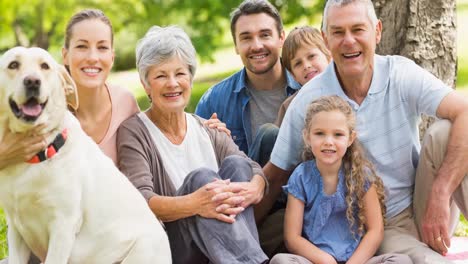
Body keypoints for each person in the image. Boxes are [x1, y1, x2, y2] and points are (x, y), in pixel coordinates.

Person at [259, 0, 468, 263]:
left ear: (377, 31)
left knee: (447, 132)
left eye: (358, 29)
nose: (349, 41)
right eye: (338, 32)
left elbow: (465, 112)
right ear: (325, 39)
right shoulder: (309, 100)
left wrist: (441, 191)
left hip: (420, 205)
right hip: (372, 227)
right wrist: (240, 240)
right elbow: (275, 176)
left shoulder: (400, 73)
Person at [116, 25, 268, 264]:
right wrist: (196, 203)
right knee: (202, 179)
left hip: (222, 249)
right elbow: (141, 199)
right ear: (146, 85)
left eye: (180, 74)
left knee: (238, 166)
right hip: (177, 249)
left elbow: (252, 168)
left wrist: (256, 187)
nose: (172, 83)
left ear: (190, 77)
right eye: (160, 76)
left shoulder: (208, 129)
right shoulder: (135, 131)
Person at [270, 96, 412, 264]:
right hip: (316, 261)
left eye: (338, 134)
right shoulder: (301, 177)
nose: (328, 142)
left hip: (356, 260)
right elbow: (292, 238)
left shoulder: (361, 175)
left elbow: (375, 231)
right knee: (281, 261)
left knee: (401, 261)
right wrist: (326, 261)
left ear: (350, 138)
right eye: (319, 133)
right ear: (307, 137)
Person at [195, 0, 301, 167]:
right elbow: (200, 165)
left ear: (281, 38)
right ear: (236, 45)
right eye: (246, 38)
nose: (257, 46)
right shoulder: (213, 102)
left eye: (265, 35)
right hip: (246, 189)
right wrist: (211, 143)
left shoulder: (307, 88)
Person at [61, 9, 139, 164]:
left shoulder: (126, 103)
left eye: (102, 47)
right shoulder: (48, 109)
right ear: (65, 56)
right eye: (82, 46)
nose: (92, 58)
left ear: (112, 57)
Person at [275, 25, 331, 126]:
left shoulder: (347, 91)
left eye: (311, 56)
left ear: (328, 55)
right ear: (293, 75)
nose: (306, 66)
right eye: (298, 63)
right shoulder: (291, 106)